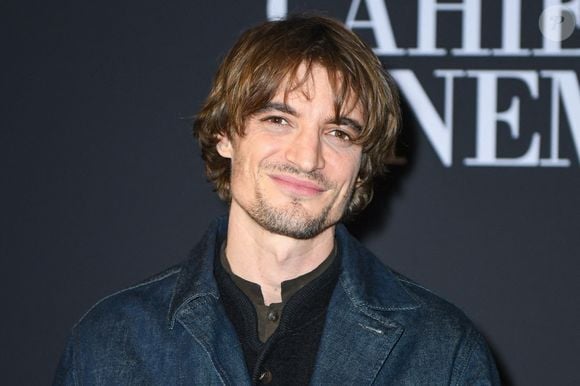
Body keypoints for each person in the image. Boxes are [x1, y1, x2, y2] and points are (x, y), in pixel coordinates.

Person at [53, 14, 500, 385]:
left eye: (339, 132)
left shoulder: (442, 351)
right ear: (225, 134)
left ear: (362, 163)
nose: (308, 158)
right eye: (278, 120)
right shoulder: (113, 341)